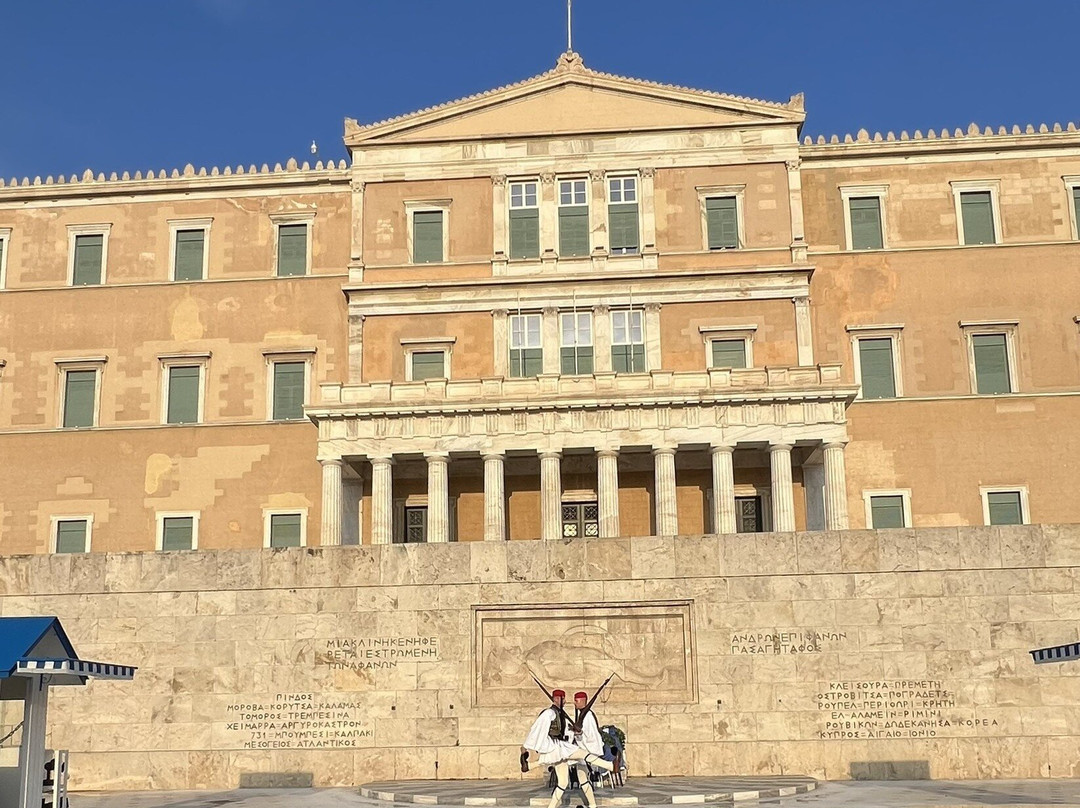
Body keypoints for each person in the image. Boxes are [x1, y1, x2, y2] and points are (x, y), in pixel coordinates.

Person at [522, 689, 614, 808]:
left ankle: (528, 766)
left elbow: (572, 732)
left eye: (575, 700)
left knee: (563, 782)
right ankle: (611, 766)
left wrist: (575, 731)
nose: (566, 701)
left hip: (561, 747)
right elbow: (538, 728)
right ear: (557, 699)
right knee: (582, 754)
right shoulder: (549, 713)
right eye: (563, 699)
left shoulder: (565, 714)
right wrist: (526, 746)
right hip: (557, 746)